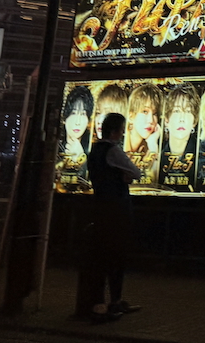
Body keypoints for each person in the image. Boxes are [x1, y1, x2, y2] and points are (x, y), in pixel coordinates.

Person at [87, 113, 143, 320]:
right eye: (121, 129)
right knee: (117, 256)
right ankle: (113, 302)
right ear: (115, 131)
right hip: (117, 209)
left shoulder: (95, 150)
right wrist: (124, 175)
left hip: (100, 207)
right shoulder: (113, 150)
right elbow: (136, 172)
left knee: (101, 256)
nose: (122, 134)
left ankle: (101, 302)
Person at [161, 84, 199, 191]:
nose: (182, 119)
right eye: (177, 111)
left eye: (188, 111)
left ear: (194, 121)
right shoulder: (158, 156)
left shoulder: (201, 157)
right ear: (166, 120)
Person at [57, 86, 94, 191]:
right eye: (73, 113)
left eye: (83, 114)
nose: (78, 122)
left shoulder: (93, 150)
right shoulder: (55, 147)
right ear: (65, 118)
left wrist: (81, 159)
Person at [125, 83, 161, 184]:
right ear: (131, 116)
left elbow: (152, 184)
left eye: (154, 114)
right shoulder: (119, 146)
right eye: (145, 111)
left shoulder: (147, 147)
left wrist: (153, 146)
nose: (150, 120)